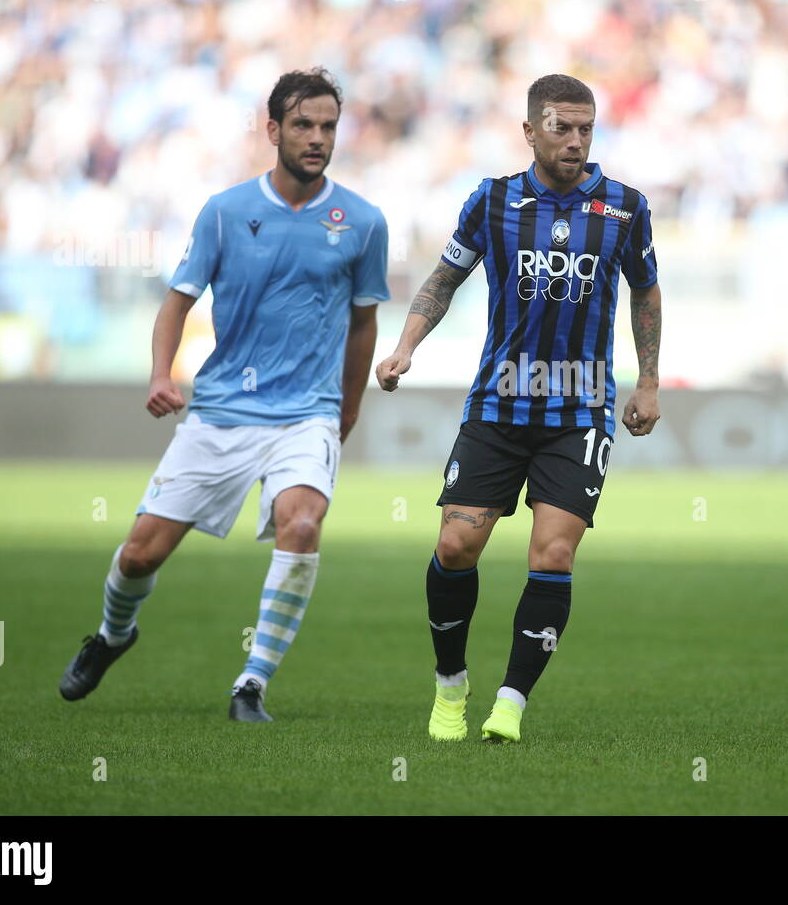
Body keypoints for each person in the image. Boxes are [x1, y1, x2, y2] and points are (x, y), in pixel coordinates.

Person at [59, 68, 389, 719]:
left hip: (306, 415)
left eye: (328, 126)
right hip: (220, 413)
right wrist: (161, 375)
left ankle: (252, 684)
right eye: (303, 125)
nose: (317, 137)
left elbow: (363, 324)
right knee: (138, 554)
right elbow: (177, 303)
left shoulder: (364, 222)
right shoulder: (226, 212)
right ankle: (112, 635)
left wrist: (346, 409)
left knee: (301, 523)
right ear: (273, 130)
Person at [375, 73, 663, 743]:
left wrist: (648, 381)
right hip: (499, 405)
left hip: (581, 410)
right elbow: (446, 276)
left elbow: (646, 292)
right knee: (455, 545)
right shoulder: (493, 200)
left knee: (554, 554)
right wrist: (405, 347)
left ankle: (510, 702)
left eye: (586, 128)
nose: (576, 140)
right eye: (561, 127)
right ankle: (452, 685)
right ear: (529, 130)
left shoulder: (624, 207)